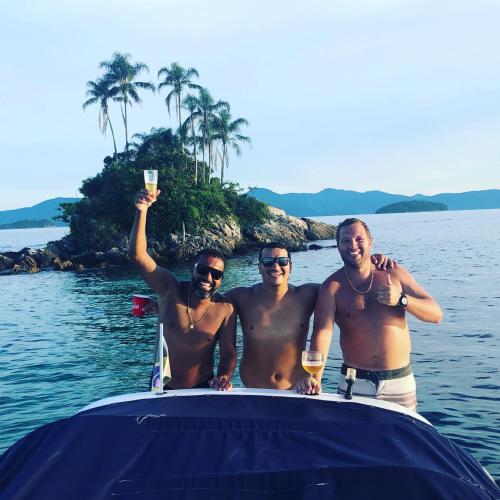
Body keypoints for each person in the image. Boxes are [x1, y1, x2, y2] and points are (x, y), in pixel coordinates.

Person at [296, 218, 443, 411]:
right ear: (338, 246)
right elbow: (322, 333)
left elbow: (436, 314)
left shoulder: (394, 273)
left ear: (370, 242)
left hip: (398, 381)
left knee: (402, 432)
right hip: (354, 382)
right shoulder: (331, 287)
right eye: (345, 241)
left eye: (359, 239)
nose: (353, 245)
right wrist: (315, 377)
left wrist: (401, 299)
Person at [226, 242, 396, 390]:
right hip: (254, 391)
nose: (275, 267)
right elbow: (212, 301)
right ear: (259, 267)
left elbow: (347, 287)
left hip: (298, 390)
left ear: (290, 266)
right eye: (268, 261)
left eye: (282, 261)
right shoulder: (241, 297)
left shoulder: (308, 294)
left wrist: (370, 262)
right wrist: (223, 376)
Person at [128, 188, 237, 391]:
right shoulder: (169, 289)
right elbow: (137, 255)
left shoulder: (225, 309)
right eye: (203, 270)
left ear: (221, 280)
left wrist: (223, 376)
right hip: (160, 387)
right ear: (192, 269)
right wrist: (141, 211)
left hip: (201, 389)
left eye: (216, 274)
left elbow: (228, 353)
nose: (208, 278)